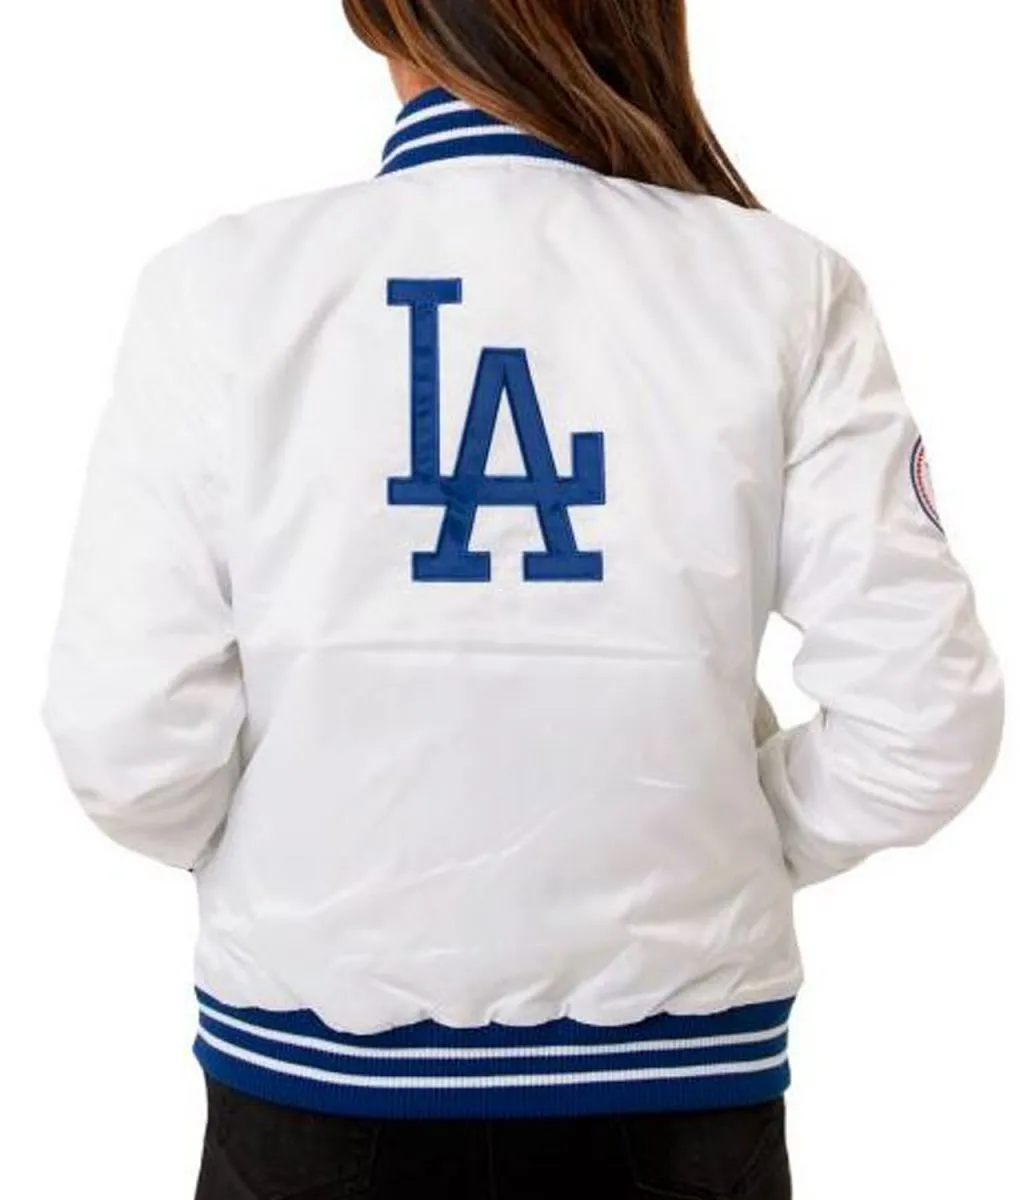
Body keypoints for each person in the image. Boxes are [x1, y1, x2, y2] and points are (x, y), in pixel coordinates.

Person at [41, 2, 1004, 1197]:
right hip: (680, 1084)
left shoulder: (221, 289)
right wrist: (724, 841)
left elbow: (126, 743)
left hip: (317, 1080)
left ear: (378, 20)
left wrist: (302, 854)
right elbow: (926, 719)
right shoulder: (781, 286)